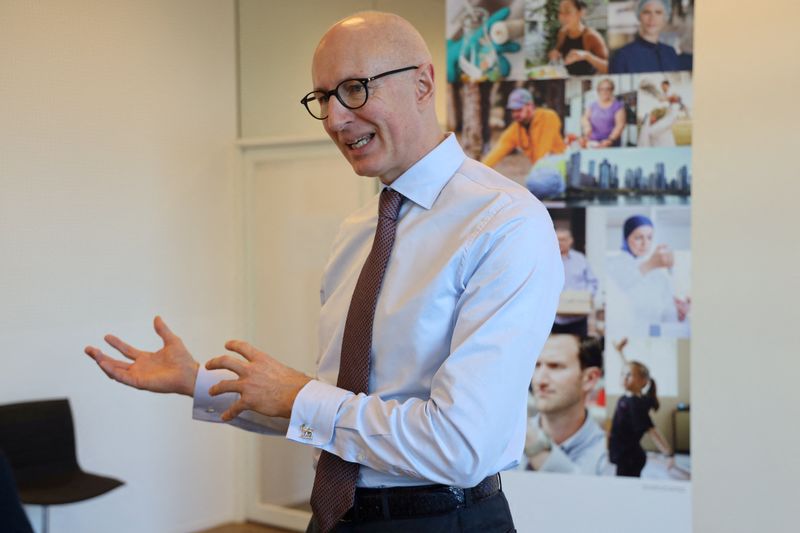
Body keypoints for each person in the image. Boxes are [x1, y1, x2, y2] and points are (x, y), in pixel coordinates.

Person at [85, 11, 563, 533]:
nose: (335, 119)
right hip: (334, 517)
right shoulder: (358, 230)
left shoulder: (503, 222)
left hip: (441, 521)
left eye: (355, 89)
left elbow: (462, 444)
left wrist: (299, 395)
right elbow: (332, 413)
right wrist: (196, 382)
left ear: (423, 83)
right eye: (323, 98)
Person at [524, 335, 609, 475]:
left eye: (555, 366)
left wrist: (533, 442)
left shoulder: (607, 456)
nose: (539, 380)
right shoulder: (506, 443)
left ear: (590, 378)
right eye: (536, 365)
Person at [606, 215, 690, 337]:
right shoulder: (612, 264)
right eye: (639, 238)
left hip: (653, 334)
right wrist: (650, 264)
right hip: (625, 334)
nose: (645, 243)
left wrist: (680, 314)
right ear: (626, 237)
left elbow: (667, 311)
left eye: (649, 238)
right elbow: (621, 286)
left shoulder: (658, 275)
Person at [608, 338, 673, 477]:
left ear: (643, 381)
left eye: (629, 376)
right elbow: (628, 368)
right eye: (622, 374)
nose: (624, 377)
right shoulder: (633, 397)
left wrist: (668, 454)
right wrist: (620, 353)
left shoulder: (635, 404)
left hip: (630, 458)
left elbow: (652, 431)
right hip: (626, 454)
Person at [481, 87, 567, 169]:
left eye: (519, 109)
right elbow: (497, 152)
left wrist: (537, 173)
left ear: (530, 106)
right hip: (542, 170)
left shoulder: (547, 117)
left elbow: (543, 152)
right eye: (513, 111)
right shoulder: (516, 129)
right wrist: (479, 170)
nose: (515, 114)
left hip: (561, 167)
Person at [609, 0, 693, 74]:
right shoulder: (622, 56)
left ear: (665, 17)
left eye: (658, 12)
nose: (652, 18)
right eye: (647, 12)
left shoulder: (670, 52)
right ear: (639, 16)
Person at [552, 228, 598, 337]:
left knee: (578, 350)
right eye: (557, 239)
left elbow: (593, 282)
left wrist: (584, 298)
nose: (560, 242)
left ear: (570, 241)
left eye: (563, 239)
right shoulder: (546, 259)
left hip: (578, 318)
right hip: (554, 319)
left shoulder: (580, 260)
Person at [547, 0, 609, 75]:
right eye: (560, 12)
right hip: (567, 81)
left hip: (586, 84)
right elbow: (557, 51)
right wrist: (554, 54)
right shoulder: (562, 32)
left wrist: (587, 56)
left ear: (581, 13)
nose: (562, 17)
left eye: (567, 11)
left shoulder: (591, 36)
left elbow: (609, 68)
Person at [581, 78, 625, 148]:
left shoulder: (618, 106)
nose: (605, 91)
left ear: (612, 90)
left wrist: (610, 140)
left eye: (608, 89)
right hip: (593, 142)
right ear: (598, 91)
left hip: (611, 143)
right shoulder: (592, 105)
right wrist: (587, 126)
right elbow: (585, 118)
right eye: (602, 89)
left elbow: (620, 125)